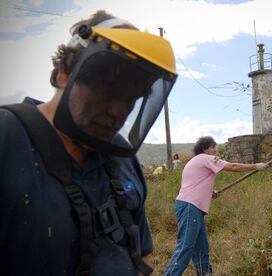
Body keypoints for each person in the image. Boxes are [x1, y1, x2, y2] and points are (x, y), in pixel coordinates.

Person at [0, 10, 177, 276]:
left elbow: (139, 255)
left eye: (131, 98)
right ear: (64, 73)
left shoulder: (123, 160)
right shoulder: (7, 139)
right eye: (107, 88)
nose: (118, 111)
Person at [164, 136, 268, 275]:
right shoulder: (206, 158)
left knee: (201, 249)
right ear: (206, 148)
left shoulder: (195, 161)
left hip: (193, 207)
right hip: (190, 207)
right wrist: (255, 166)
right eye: (214, 148)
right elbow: (233, 166)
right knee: (185, 247)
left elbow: (194, 183)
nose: (216, 151)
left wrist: (210, 192)